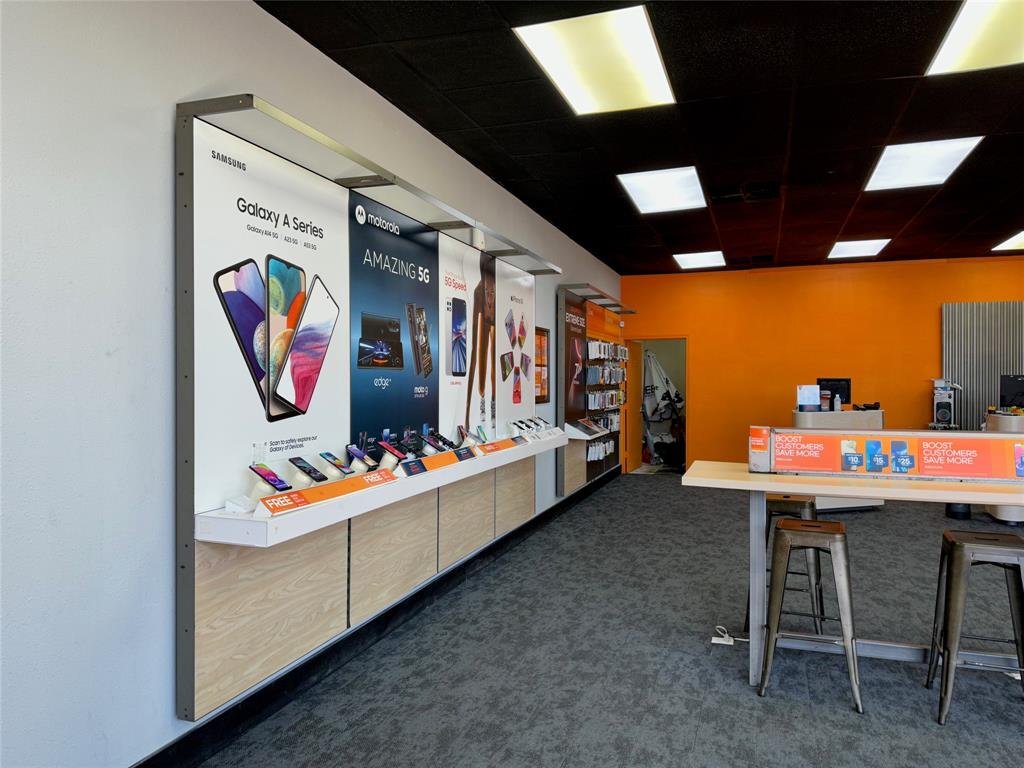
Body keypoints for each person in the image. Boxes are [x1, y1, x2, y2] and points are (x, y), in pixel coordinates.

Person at [465, 252, 495, 431]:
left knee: (494, 364)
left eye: (492, 292)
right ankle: (483, 401)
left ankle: (493, 403)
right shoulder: (478, 292)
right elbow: (473, 353)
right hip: (484, 319)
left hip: (493, 321)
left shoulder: (497, 294)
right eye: (487, 292)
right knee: (480, 358)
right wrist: (466, 418)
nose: (490, 299)